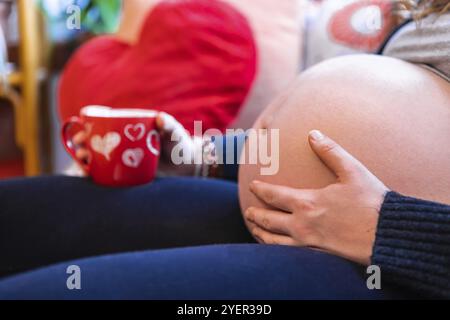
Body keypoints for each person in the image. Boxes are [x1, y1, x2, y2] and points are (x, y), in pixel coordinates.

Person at [0, 0, 448, 299]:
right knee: (23, 213)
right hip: (306, 219)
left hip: (397, 267)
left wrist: (391, 231)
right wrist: (206, 160)